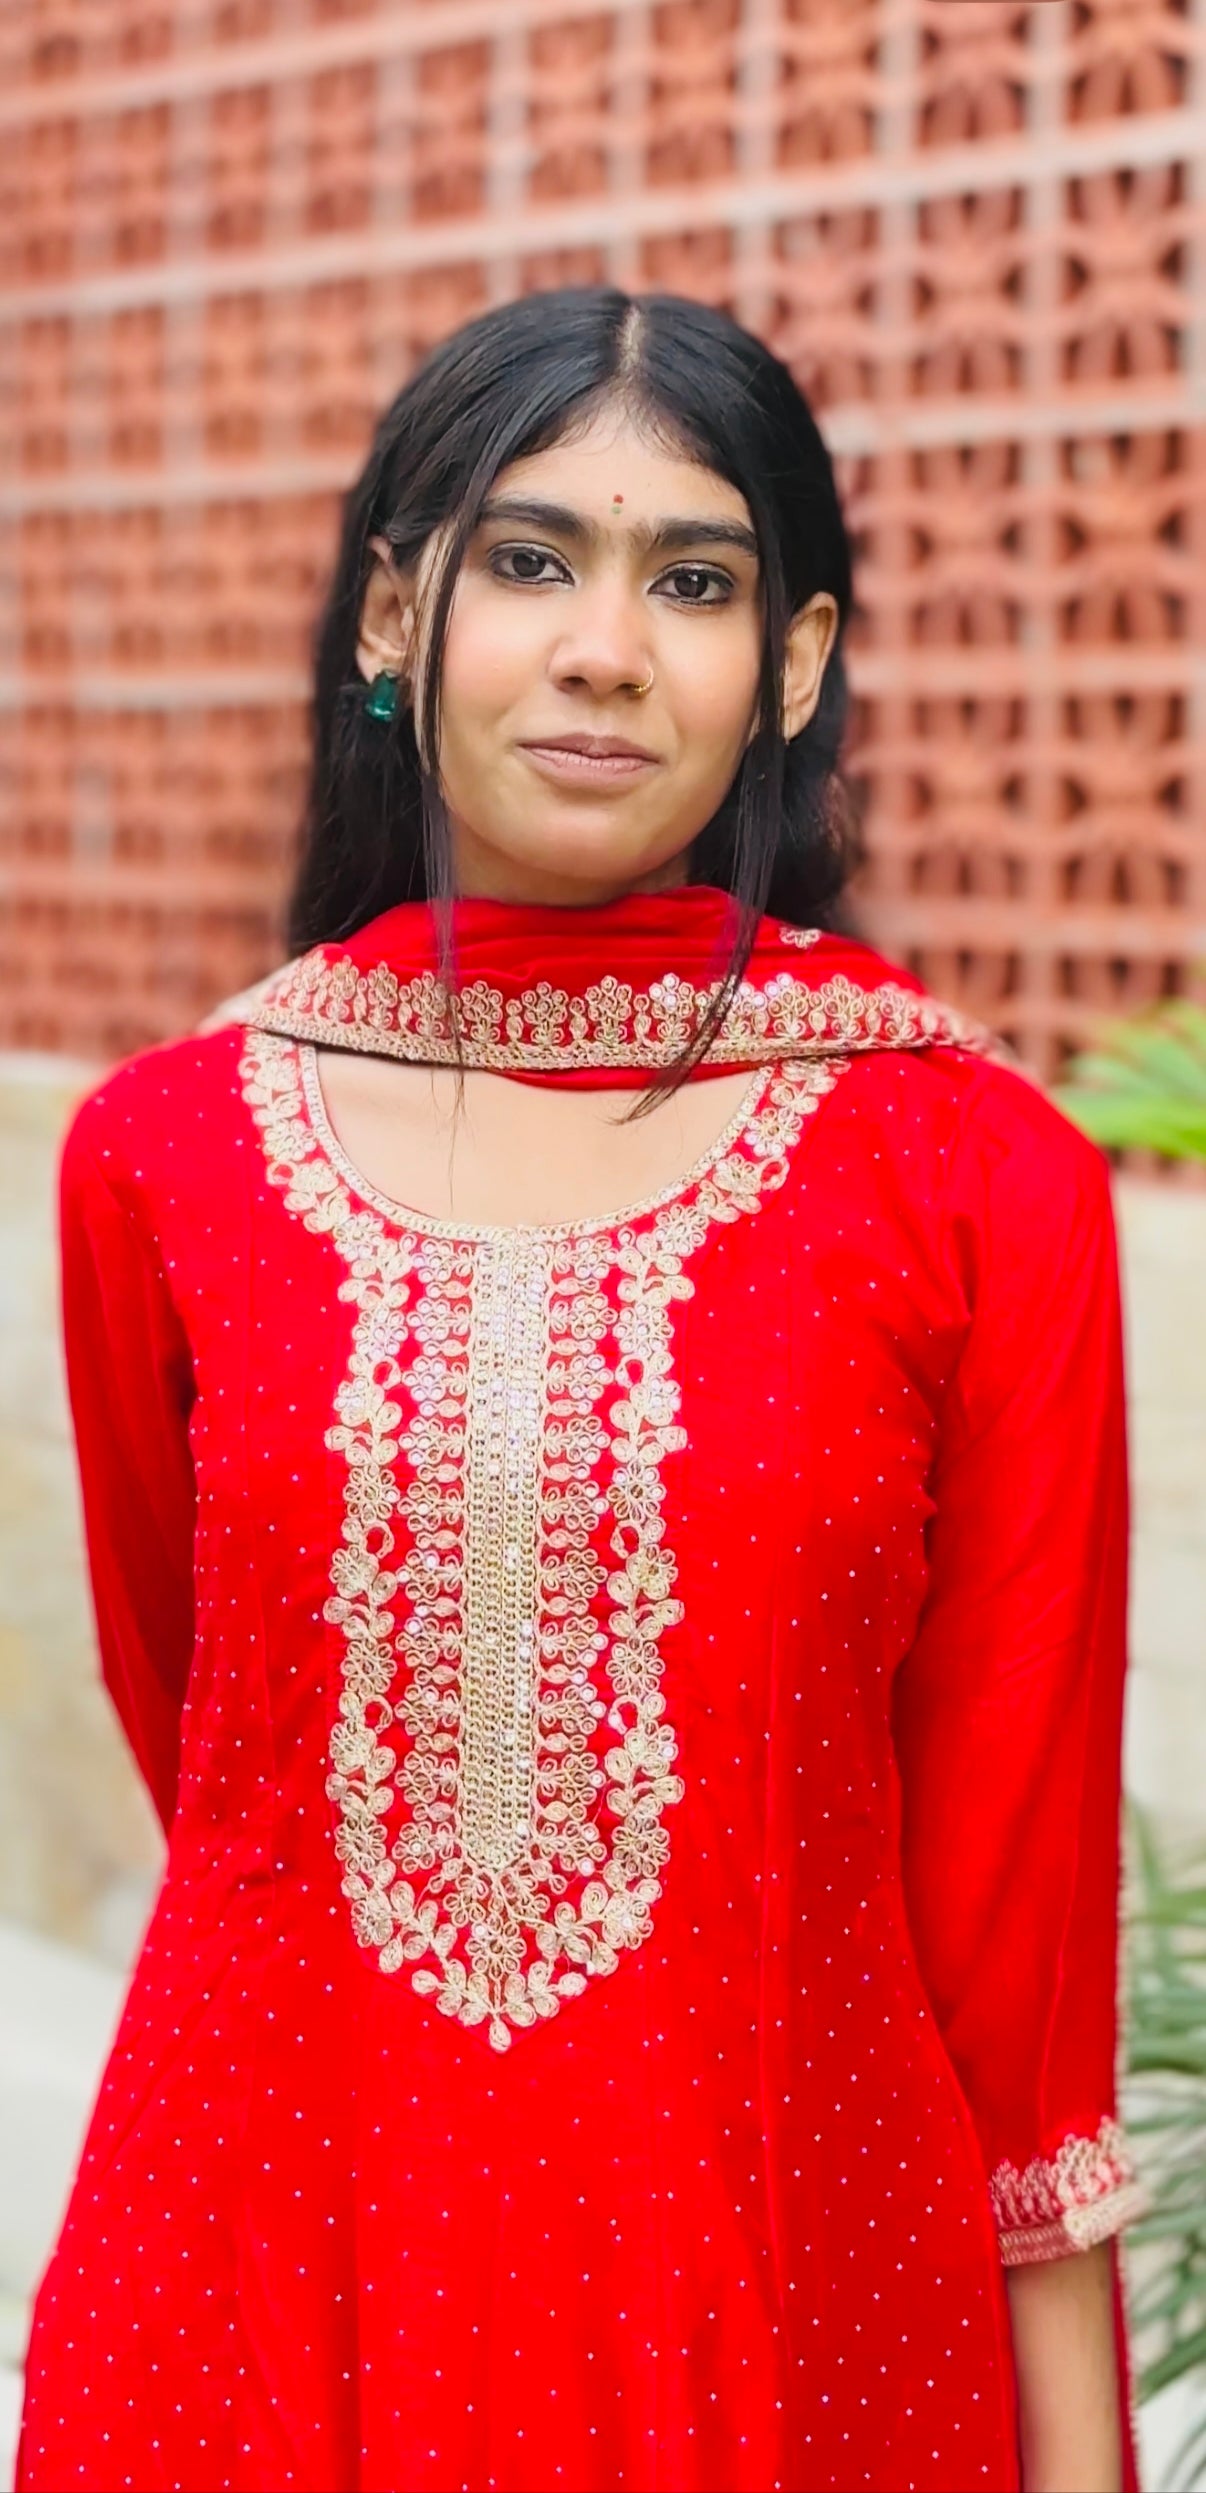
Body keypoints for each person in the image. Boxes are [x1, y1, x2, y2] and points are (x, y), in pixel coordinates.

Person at [18, 288, 1141, 2493]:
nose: (606, 646)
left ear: (796, 666)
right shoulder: (160, 1156)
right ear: (392, 617)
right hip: (254, 2295)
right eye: (529, 560)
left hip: (792, 2301)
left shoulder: (980, 1178)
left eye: (694, 579)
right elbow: (217, 1762)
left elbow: (1015, 1940)